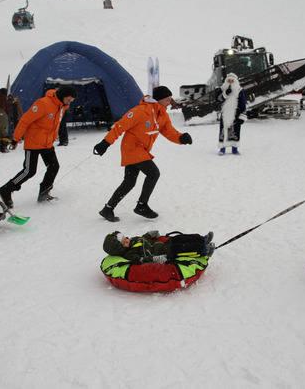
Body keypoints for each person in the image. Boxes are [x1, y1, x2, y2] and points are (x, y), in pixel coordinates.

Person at [93, 86, 193, 222]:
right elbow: (119, 126)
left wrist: (181, 138)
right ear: (158, 99)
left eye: (170, 99)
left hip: (142, 150)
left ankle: (108, 208)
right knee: (153, 173)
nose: (170, 102)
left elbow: (169, 132)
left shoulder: (162, 115)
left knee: (129, 182)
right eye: (167, 99)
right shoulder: (140, 111)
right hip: (132, 148)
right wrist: (105, 143)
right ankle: (141, 205)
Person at [0, 85, 77, 207]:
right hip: (33, 142)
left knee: (54, 167)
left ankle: (44, 193)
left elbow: (55, 125)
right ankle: (6, 189)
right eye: (68, 100)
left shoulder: (61, 106)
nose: (69, 103)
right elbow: (25, 120)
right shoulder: (43, 103)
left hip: (47, 143)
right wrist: (15, 139)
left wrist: (53, 138)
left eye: (71, 101)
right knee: (29, 171)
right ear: (62, 96)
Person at [103, 230, 215, 263]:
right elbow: (141, 260)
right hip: (164, 252)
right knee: (181, 248)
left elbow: (143, 238)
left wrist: (149, 235)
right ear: (120, 249)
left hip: (163, 244)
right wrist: (155, 259)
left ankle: (202, 239)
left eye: (125, 238)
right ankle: (204, 250)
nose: (127, 240)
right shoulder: (130, 254)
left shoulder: (133, 240)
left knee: (179, 238)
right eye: (124, 242)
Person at [216, 73, 248, 155]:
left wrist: (242, 115)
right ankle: (222, 149)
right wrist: (225, 94)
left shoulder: (239, 90)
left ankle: (235, 148)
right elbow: (218, 99)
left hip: (236, 114)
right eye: (228, 80)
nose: (230, 82)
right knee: (224, 130)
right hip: (225, 114)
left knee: (235, 131)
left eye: (232, 80)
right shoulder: (222, 89)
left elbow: (242, 103)